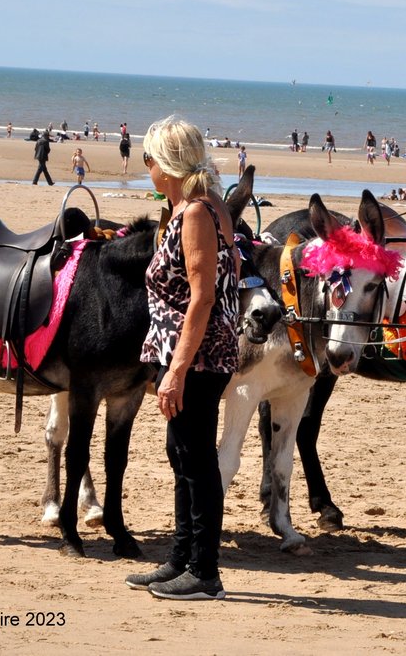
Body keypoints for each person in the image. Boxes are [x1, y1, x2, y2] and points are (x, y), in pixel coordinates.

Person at [124, 115, 239, 601]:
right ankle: (181, 559)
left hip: (198, 356)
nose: (145, 167)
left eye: (148, 159)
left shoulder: (195, 213)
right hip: (190, 353)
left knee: (195, 459)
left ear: (165, 165)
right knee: (181, 455)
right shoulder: (193, 206)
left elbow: (202, 297)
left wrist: (176, 370)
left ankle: (205, 572)